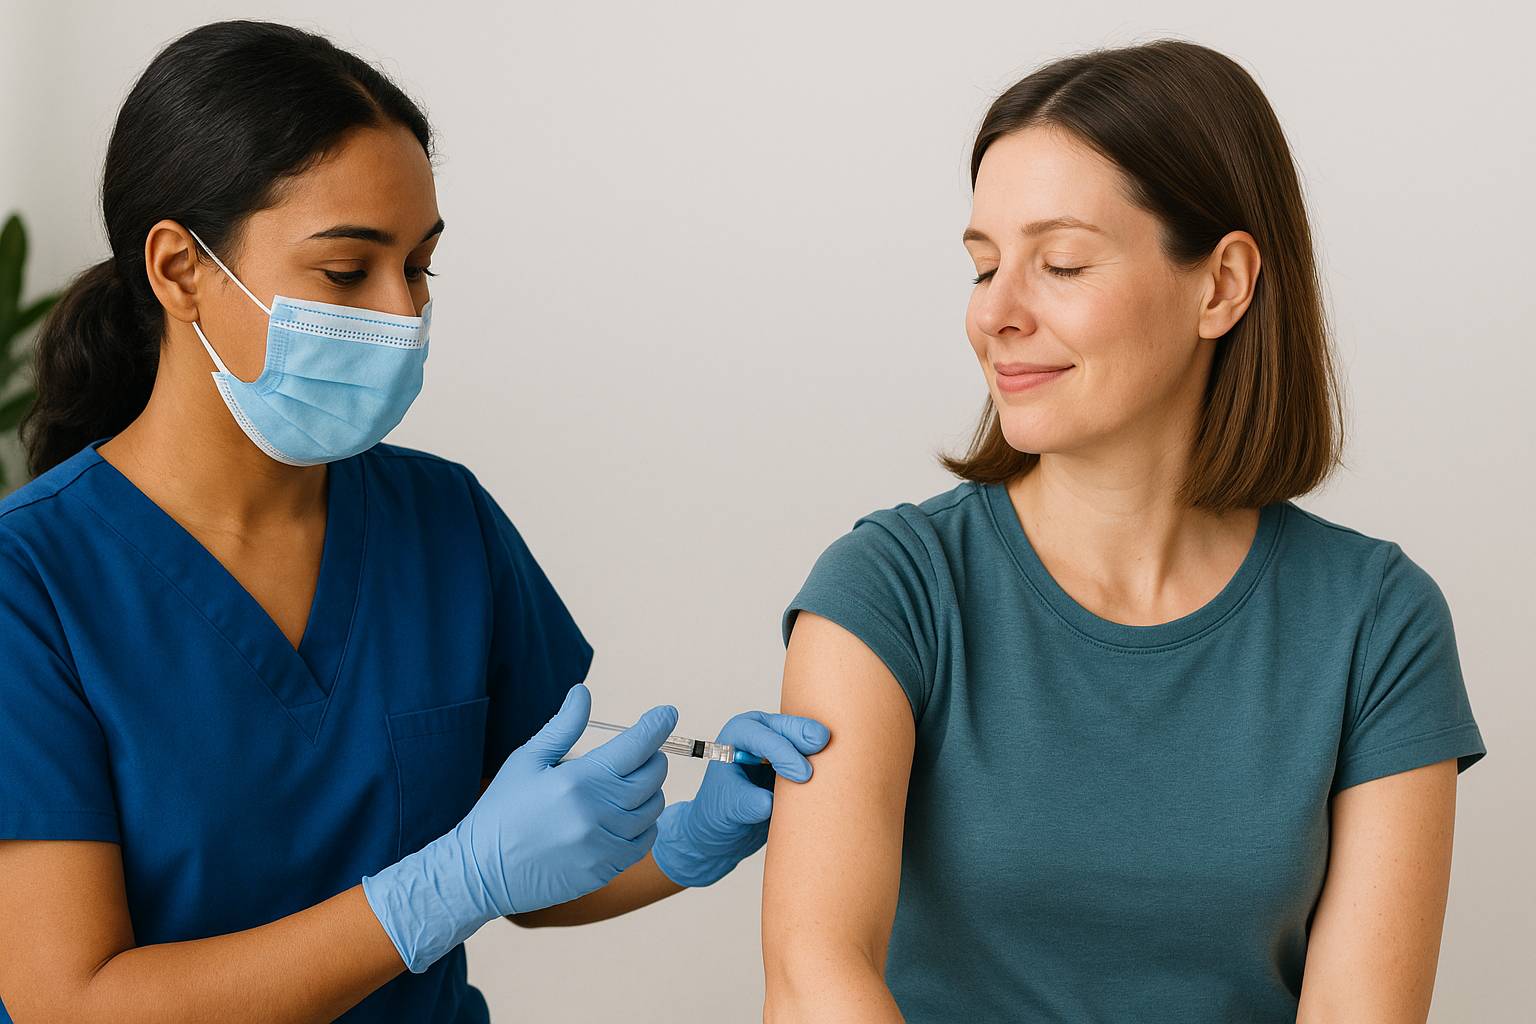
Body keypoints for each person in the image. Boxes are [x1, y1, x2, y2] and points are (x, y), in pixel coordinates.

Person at [0, 21, 827, 1023]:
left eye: (420, 268)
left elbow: (529, 866)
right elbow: (69, 1001)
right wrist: (438, 889)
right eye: (348, 273)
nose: (400, 312)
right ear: (180, 270)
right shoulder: (29, 583)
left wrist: (693, 838)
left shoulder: (445, 523)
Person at [761, 39, 1485, 1023]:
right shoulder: (888, 589)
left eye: (1058, 262)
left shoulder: (1376, 621)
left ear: (1221, 285)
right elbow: (816, 977)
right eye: (983, 267)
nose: (996, 315)